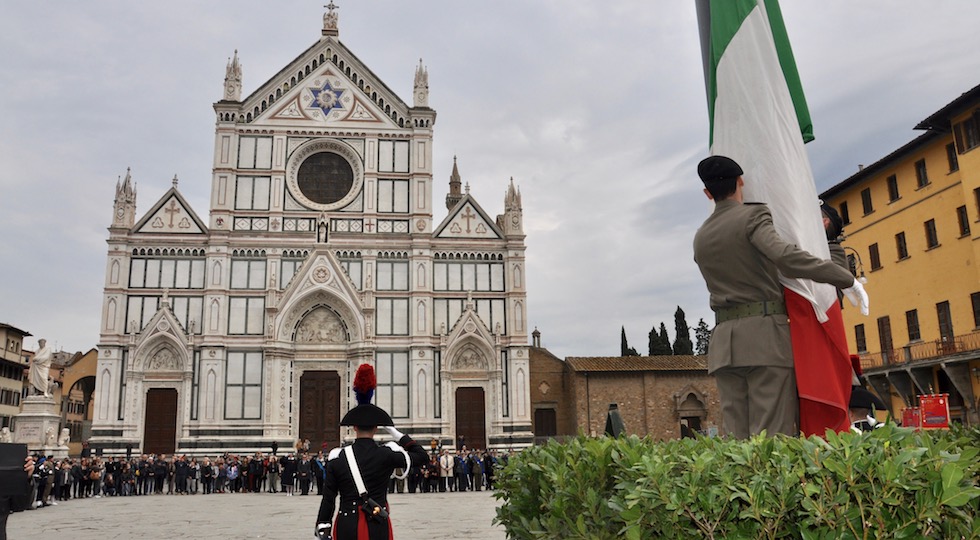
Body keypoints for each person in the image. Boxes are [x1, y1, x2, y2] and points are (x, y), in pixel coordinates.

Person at [692, 155, 869, 439]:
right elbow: (786, 258)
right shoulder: (752, 216)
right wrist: (844, 278)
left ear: (707, 192)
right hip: (765, 341)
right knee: (772, 436)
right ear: (741, 182)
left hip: (724, 344)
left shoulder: (701, 235)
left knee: (736, 440)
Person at [315, 364, 428, 540]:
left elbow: (328, 499)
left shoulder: (338, 457)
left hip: (346, 525)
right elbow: (422, 457)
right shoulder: (386, 455)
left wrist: (323, 526)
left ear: (353, 427)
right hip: (377, 522)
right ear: (376, 428)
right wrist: (398, 435)